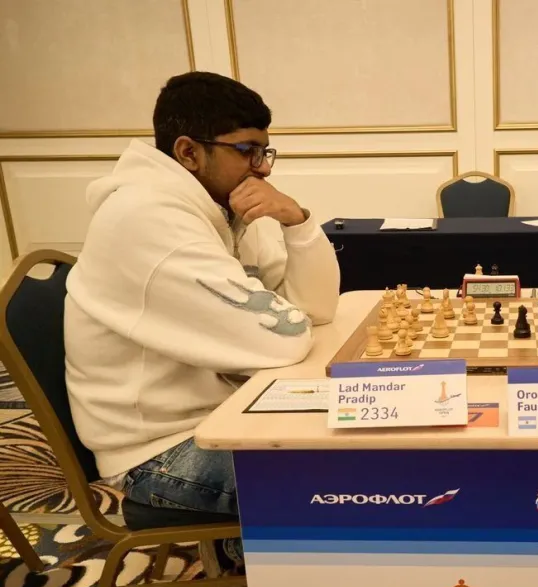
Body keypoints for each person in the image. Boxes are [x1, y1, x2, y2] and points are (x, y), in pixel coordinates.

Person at [64, 72, 340, 519]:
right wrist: (287, 321)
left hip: (225, 411)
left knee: (369, 440)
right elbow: (285, 338)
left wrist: (297, 220)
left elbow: (315, 311)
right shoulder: (146, 219)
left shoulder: (221, 208)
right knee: (363, 475)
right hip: (160, 452)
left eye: (265, 152)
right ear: (188, 152)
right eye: (247, 151)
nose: (264, 168)